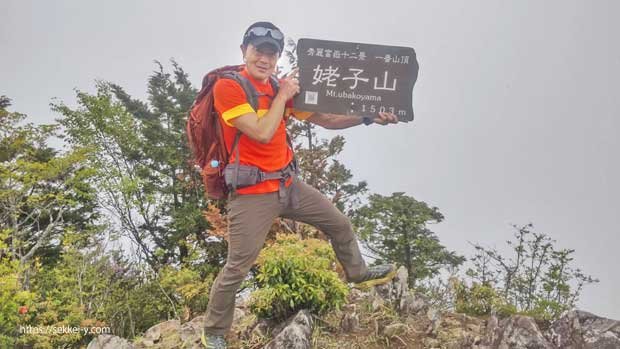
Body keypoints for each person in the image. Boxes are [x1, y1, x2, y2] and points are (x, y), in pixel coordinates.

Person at [202, 21, 400, 348]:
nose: (264, 59)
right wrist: (283, 94)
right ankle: (214, 332)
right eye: (258, 51)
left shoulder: (279, 87)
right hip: (252, 194)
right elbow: (262, 131)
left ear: (277, 57)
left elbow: (327, 120)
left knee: (339, 224)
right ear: (243, 52)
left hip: (287, 185)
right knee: (237, 267)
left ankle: (357, 272)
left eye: (271, 53)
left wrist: (367, 117)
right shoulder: (229, 87)